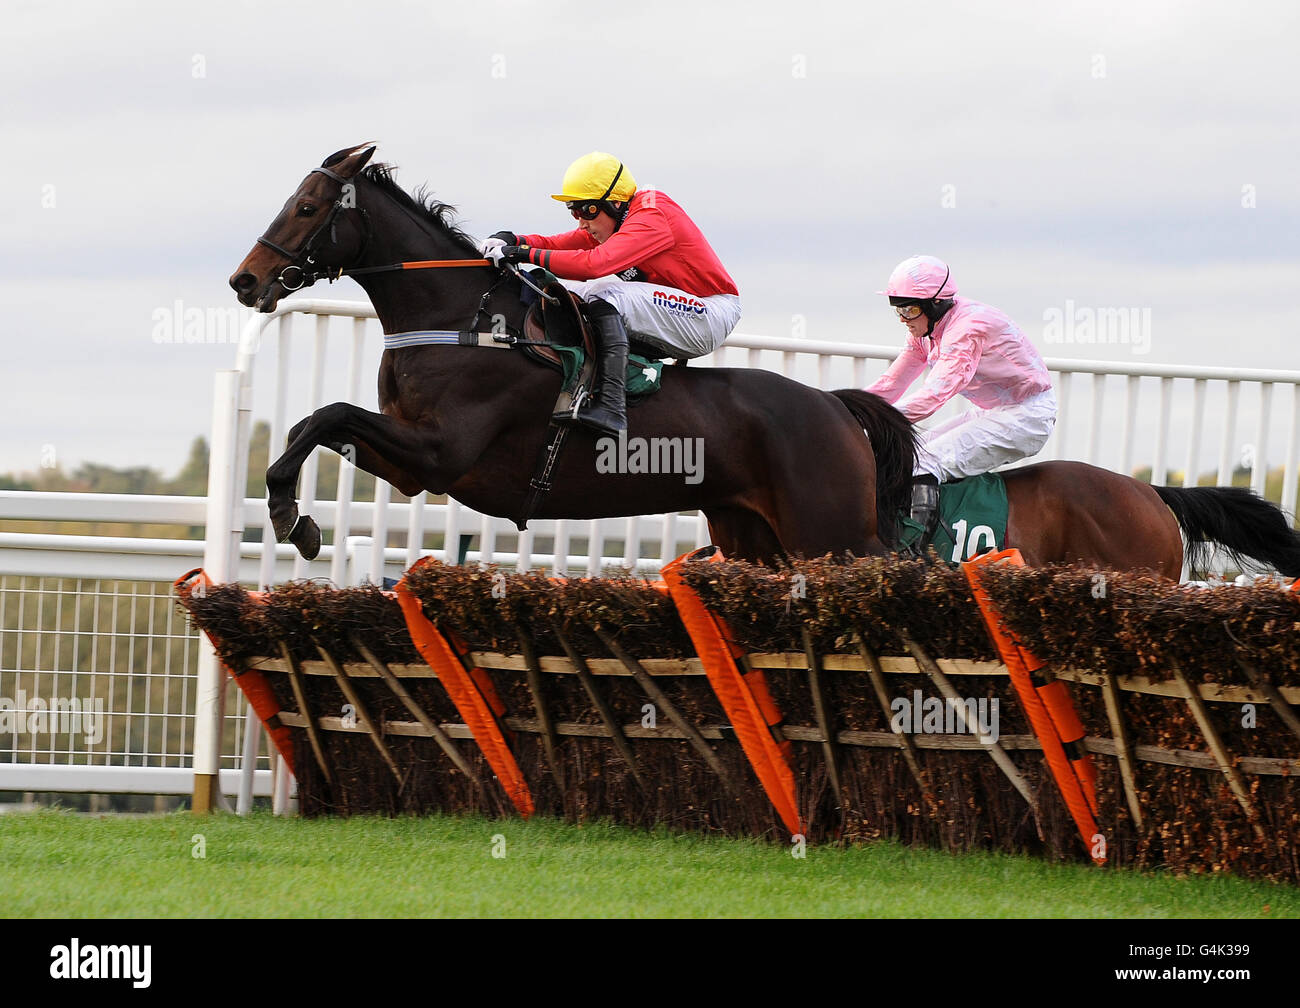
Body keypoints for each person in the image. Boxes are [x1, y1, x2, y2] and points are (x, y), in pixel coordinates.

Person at [482, 151, 741, 435]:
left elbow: (595, 264)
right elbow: (570, 242)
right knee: (569, 290)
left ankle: (611, 407)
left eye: (586, 210)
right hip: (680, 312)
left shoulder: (652, 213)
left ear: (616, 203)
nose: (580, 221)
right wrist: (517, 240)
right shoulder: (623, 218)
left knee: (604, 293)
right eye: (574, 211)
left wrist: (522, 253)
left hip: (708, 313)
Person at [865, 255, 1057, 539]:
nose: (904, 319)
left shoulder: (966, 329)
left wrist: (874, 421)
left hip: (1027, 416)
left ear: (937, 303)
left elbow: (933, 396)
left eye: (911, 310)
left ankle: (916, 553)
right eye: (899, 311)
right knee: (907, 455)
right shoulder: (927, 328)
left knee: (923, 463)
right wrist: (842, 410)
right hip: (996, 411)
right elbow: (892, 382)